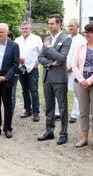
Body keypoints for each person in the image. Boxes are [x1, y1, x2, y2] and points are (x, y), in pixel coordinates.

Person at [37, 14, 72, 145]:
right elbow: (40, 58)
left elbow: (62, 58)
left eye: (52, 24)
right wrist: (50, 63)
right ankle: (49, 131)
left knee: (62, 107)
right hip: (47, 76)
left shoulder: (66, 39)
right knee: (49, 106)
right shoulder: (47, 38)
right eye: (49, 23)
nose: (50, 26)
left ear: (59, 24)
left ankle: (63, 133)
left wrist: (49, 48)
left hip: (59, 78)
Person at [54, 19, 86, 123]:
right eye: (69, 26)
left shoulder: (82, 40)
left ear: (78, 27)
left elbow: (81, 56)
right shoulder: (66, 38)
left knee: (76, 93)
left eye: (72, 26)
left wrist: (72, 67)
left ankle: (74, 114)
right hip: (63, 68)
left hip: (75, 70)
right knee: (60, 91)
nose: (70, 28)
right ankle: (58, 113)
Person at [15, 21, 43, 122]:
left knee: (34, 90)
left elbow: (42, 52)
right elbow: (14, 53)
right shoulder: (17, 40)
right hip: (21, 68)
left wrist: (37, 62)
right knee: (24, 90)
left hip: (32, 68)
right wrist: (19, 59)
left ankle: (36, 112)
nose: (24, 30)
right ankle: (27, 109)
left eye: (26, 28)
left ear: (30, 29)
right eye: (23, 28)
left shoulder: (37, 39)